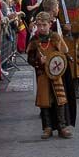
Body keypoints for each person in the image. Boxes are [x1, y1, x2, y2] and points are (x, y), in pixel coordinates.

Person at [25, 11, 73, 139]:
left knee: (60, 99)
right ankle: (47, 127)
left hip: (56, 75)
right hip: (42, 74)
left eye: (44, 25)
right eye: (39, 25)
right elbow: (29, 59)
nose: (41, 28)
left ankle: (62, 127)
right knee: (44, 100)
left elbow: (64, 53)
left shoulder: (55, 37)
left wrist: (60, 59)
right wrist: (38, 61)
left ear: (50, 24)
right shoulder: (34, 40)